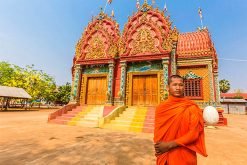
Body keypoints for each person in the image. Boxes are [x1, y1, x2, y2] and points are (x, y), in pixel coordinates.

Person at [154, 75, 207, 165]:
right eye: (174, 85)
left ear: (184, 87)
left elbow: (193, 134)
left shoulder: (191, 107)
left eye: (181, 85)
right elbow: (159, 134)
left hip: (184, 154)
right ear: (168, 87)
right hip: (164, 155)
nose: (178, 88)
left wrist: (169, 145)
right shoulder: (161, 108)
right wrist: (160, 147)